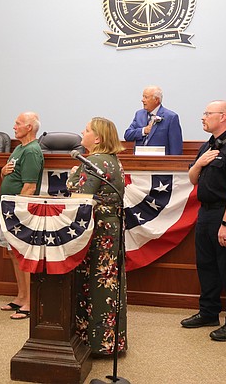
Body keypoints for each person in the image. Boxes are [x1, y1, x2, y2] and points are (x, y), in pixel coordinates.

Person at [182, 100, 226, 342]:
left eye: (207, 113)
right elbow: (192, 178)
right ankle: (209, 312)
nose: (203, 117)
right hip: (206, 213)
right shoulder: (207, 147)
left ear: (223, 117)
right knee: (207, 266)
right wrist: (199, 164)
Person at [66, 117, 127, 356]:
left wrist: (72, 175)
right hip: (110, 229)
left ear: (98, 138)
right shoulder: (112, 160)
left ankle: (93, 343)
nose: (83, 131)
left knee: (96, 282)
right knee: (108, 282)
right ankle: (109, 341)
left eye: (87, 130)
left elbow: (79, 194)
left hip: (98, 229)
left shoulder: (95, 161)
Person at [0, 111, 43, 320]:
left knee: (22, 255)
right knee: (13, 254)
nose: (14, 127)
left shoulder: (32, 151)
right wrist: (2, 172)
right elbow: (8, 173)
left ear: (29, 127)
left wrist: (18, 213)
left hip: (18, 212)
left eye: (18, 124)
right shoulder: (18, 148)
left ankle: (29, 302)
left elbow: (30, 186)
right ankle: (20, 296)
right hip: (8, 209)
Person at [124, 85, 183, 154]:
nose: (142, 100)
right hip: (139, 160)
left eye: (146, 97)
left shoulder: (171, 117)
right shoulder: (139, 114)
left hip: (160, 162)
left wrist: (173, 164)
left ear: (156, 100)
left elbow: (175, 147)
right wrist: (144, 131)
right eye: (143, 97)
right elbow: (127, 135)